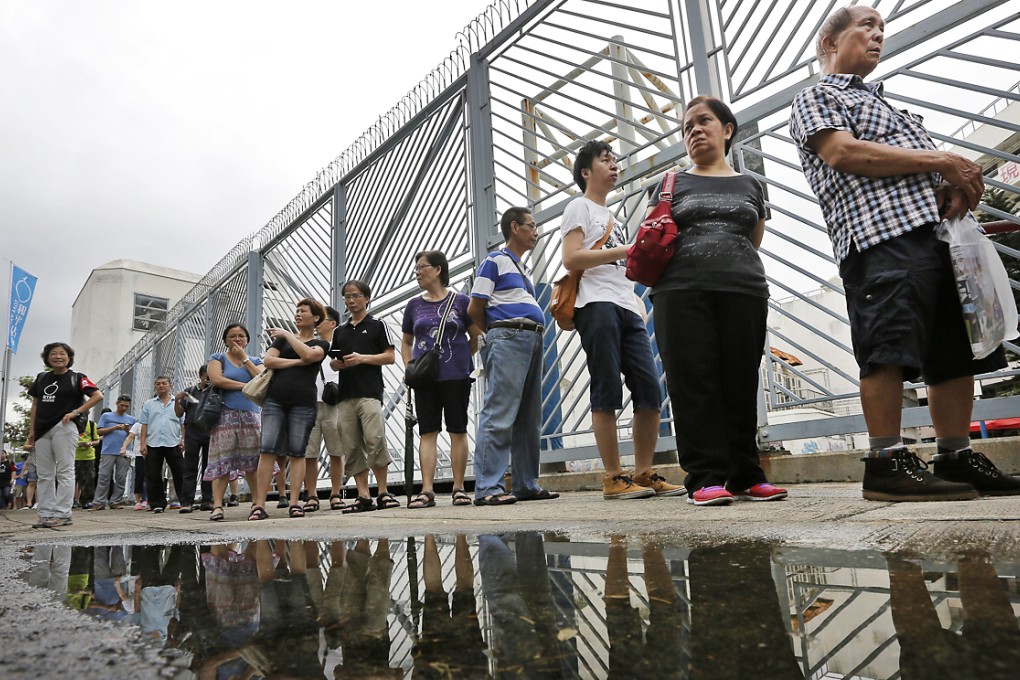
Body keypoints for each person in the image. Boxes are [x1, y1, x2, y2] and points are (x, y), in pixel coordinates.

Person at [790, 6, 1020, 501]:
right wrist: (943, 161)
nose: (877, 37)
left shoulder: (888, 107)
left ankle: (954, 456)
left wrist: (953, 187)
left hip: (933, 237)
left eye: (882, 30)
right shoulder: (818, 95)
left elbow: (917, 171)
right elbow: (843, 153)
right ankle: (886, 460)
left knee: (951, 351)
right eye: (865, 28)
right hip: (878, 239)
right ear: (830, 42)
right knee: (886, 347)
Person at [648, 99, 789, 506]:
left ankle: (747, 473)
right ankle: (705, 476)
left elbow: (753, 239)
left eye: (703, 121)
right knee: (694, 381)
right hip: (680, 291)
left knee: (740, 381)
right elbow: (651, 235)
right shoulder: (670, 183)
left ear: (727, 129)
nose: (694, 130)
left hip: (742, 290)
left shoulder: (751, 186)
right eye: (687, 126)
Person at [564, 140, 685, 501]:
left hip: (627, 305)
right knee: (606, 387)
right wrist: (627, 249)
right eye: (605, 160)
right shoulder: (578, 207)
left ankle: (643, 472)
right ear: (586, 172)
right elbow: (571, 259)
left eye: (615, 160)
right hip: (596, 304)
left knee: (649, 389)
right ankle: (613, 477)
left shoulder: (611, 215)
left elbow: (622, 263)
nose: (614, 165)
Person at [467, 207, 551, 505]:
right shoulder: (495, 261)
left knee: (529, 415)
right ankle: (488, 487)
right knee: (499, 411)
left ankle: (526, 482)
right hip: (508, 337)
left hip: (531, 337)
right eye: (531, 226)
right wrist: (495, 333)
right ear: (514, 227)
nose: (536, 232)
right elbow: (474, 308)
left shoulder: (522, 269)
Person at [401, 250, 483, 508]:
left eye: (421, 267)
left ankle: (459, 488)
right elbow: (406, 341)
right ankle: (427, 490)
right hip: (425, 380)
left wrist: (458, 358)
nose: (417, 273)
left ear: (438, 269)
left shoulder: (461, 301)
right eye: (415, 269)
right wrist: (410, 366)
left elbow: (475, 336)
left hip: (456, 376)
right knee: (428, 432)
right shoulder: (414, 305)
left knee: (457, 430)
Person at [250, 298, 329, 520]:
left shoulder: (321, 343)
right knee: (267, 450)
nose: (298, 314)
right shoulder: (282, 343)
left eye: (303, 311)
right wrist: (296, 362)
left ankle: (295, 502)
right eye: (297, 311)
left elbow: (311, 355)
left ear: (315, 318)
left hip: (303, 403)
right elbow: (268, 361)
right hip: (275, 400)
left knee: (297, 451)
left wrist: (287, 335)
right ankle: (259, 504)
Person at [330, 280, 399, 514]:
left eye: (356, 296)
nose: (351, 301)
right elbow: (332, 362)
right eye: (347, 297)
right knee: (350, 445)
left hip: (370, 393)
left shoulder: (378, 325)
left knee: (375, 438)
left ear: (366, 298)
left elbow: (390, 357)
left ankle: (383, 491)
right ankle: (362, 494)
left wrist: (362, 358)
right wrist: (338, 363)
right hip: (345, 395)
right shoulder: (340, 331)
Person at [26, 341, 104, 528]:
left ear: (69, 358)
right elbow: (36, 404)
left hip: (65, 426)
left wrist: (76, 412)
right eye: (53, 354)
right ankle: (45, 514)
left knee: (65, 471)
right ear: (47, 358)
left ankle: (63, 514)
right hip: (42, 429)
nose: (58, 357)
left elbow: (97, 396)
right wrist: (31, 430)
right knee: (44, 474)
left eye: (62, 353)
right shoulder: (42, 378)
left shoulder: (77, 377)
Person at [204, 324, 264, 521]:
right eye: (232, 336)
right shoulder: (218, 358)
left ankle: (257, 504)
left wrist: (244, 359)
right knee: (223, 461)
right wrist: (247, 386)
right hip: (225, 415)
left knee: (252, 462)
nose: (237, 339)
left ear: (247, 339)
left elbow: (261, 378)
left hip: (250, 414)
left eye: (240, 336)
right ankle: (218, 506)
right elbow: (217, 380)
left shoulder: (255, 360)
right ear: (225, 340)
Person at [302, 305, 346, 512]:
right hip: (309, 402)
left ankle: (336, 493)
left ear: (333, 324)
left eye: (322, 319)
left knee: (336, 452)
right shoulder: (308, 345)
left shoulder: (338, 346)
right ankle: (311, 495)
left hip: (333, 404)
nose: (318, 323)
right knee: (309, 454)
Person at [139, 376, 185, 514]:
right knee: (153, 474)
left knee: (180, 472)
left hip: (173, 442)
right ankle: (157, 503)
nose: (161, 386)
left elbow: (183, 424)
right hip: (153, 443)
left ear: (170, 385)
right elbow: (144, 425)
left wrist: (184, 440)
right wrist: (143, 444)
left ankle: (185, 501)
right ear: (155, 387)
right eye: (158, 384)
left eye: (164, 383)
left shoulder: (177, 403)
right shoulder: (149, 404)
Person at [174, 364, 213, 512]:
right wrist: (177, 401)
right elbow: (179, 413)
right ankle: (187, 501)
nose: (208, 380)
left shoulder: (216, 391)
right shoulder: (190, 392)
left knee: (209, 466)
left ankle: (207, 499)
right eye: (206, 377)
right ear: (201, 376)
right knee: (190, 466)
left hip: (210, 430)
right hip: (193, 430)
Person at [93, 395, 135, 510]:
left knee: (121, 477)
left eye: (126, 406)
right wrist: (114, 428)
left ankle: (116, 501)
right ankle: (99, 502)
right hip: (108, 450)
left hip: (124, 451)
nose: (124, 408)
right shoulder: (107, 416)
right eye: (122, 405)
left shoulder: (131, 419)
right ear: (117, 404)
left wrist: (126, 430)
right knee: (104, 476)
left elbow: (132, 435)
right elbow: (99, 431)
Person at [121, 420, 148, 510]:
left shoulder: (155, 423)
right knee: (139, 477)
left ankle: (147, 498)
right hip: (139, 453)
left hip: (152, 453)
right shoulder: (137, 425)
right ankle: (138, 500)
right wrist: (124, 447)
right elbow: (130, 437)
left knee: (150, 477)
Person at [73, 417, 100, 508]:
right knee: (71, 479)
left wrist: (90, 444)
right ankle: (71, 501)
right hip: (72, 455)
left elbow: (97, 440)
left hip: (88, 456)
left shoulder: (92, 425)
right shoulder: (71, 425)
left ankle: (87, 501)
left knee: (88, 479)